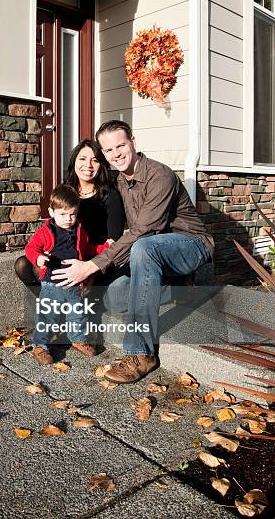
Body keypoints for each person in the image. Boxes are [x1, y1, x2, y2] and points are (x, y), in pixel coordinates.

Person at [51, 120, 214, 384]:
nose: (115, 154)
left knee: (142, 246)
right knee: (114, 298)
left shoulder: (160, 176)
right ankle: (179, 287)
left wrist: (92, 265)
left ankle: (141, 353)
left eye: (120, 145)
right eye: (108, 150)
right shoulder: (120, 182)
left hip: (190, 244)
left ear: (133, 143)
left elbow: (143, 232)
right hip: (151, 253)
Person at [14, 139, 125, 287]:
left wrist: (88, 268)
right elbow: (53, 227)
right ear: (74, 162)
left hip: (93, 258)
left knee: (51, 273)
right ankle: (50, 301)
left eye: (95, 160)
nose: (88, 165)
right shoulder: (66, 191)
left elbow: (113, 244)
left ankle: (77, 299)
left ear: (101, 165)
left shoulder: (110, 195)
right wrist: (46, 251)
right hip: (63, 253)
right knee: (23, 265)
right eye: (83, 159)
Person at [24, 184, 110, 365]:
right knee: (49, 315)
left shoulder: (79, 231)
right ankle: (40, 344)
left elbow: (88, 249)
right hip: (52, 283)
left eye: (72, 214)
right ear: (51, 212)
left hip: (73, 283)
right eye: (62, 214)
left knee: (77, 313)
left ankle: (77, 339)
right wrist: (38, 258)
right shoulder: (46, 232)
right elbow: (31, 248)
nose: (68, 219)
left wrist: (105, 247)